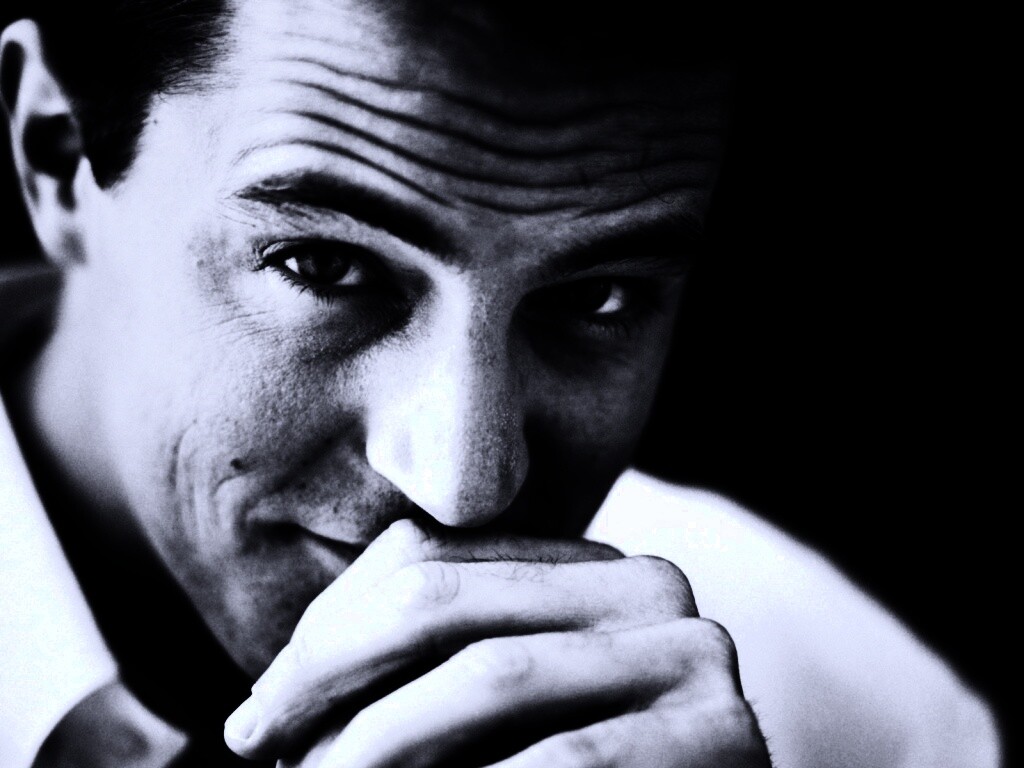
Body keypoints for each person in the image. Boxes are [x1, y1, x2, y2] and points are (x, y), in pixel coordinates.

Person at [0, 2, 1001, 766]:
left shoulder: (850, 707)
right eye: (324, 267)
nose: (463, 486)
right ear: (57, 157)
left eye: (597, 297)